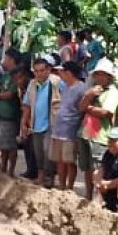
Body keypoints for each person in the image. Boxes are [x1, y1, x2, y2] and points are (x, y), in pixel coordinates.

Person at [78, 58, 118, 200]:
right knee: (87, 168)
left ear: (109, 76)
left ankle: (98, 198)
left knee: (98, 168)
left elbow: (106, 112)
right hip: (86, 132)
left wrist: (88, 107)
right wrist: (89, 95)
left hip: (100, 135)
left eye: (102, 74)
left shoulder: (113, 92)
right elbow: (80, 107)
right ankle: (88, 195)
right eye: (97, 74)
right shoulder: (93, 90)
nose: (99, 77)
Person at [20, 56, 62, 187]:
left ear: (48, 70)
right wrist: (24, 122)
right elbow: (27, 105)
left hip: (52, 122)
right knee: (38, 151)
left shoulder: (57, 82)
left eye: (41, 70)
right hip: (36, 123)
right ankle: (41, 176)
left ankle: (50, 178)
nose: (39, 73)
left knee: (48, 150)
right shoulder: (33, 84)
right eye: (36, 71)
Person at [51, 60, 87, 191]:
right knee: (59, 160)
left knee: (69, 161)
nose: (60, 74)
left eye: (62, 71)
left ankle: (69, 187)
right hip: (59, 128)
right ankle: (61, 185)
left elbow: (82, 109)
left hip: (71, 129)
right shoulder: (65, 87)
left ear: (69, 73)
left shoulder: (81, 88)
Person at [0, 51, 23, 173]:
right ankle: (3, 167)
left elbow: (11, 93)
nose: (4, 61)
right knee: (1, 144)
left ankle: (10, 170)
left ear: (12, 60)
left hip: (10, 114)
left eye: (6, 58)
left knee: (10, 144)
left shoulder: (17, 75)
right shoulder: (6, 75)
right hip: (0, 113)